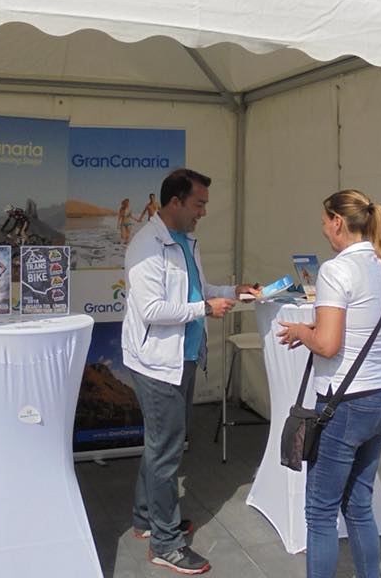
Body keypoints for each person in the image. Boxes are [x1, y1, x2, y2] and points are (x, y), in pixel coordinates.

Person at [122, 168, 260, 575]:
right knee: (165, 453)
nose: (203, 212)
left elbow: (197, 290)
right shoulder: (146, 245)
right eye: (198, 203)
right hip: (156, 363)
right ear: (175, 202)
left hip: (180, 358)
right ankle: (166, 544)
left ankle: (147, 519)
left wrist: (232, 292)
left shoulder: (184, 241)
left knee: (162, 445)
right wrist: (204, 309)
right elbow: (152, 310)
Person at [276, 189, 381, 578]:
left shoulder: (335, 270)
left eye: (323, 222)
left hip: (345, 405)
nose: (323, 230)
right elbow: (363, 325)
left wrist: (303, 331)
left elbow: (329, 345)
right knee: (359, 505)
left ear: (337, 222)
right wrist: (316, 328)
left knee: (320, 512)